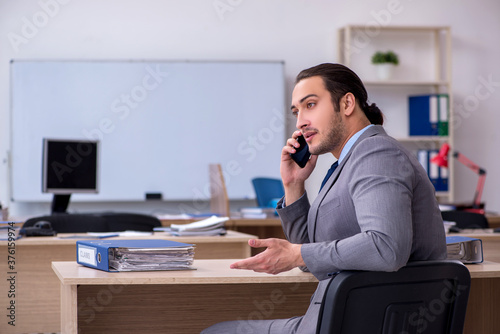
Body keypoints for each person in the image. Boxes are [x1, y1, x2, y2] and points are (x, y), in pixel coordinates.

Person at [201, 63, 447, 334]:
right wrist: (293, 184)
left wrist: (296, 255)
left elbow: (386, 248)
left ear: (347, 103)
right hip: (345, 319)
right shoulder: (348, 162)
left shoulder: (376, 153)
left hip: (361, 322)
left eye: (310, 105)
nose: (300, 122)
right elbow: (313, 256)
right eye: (297, 111)